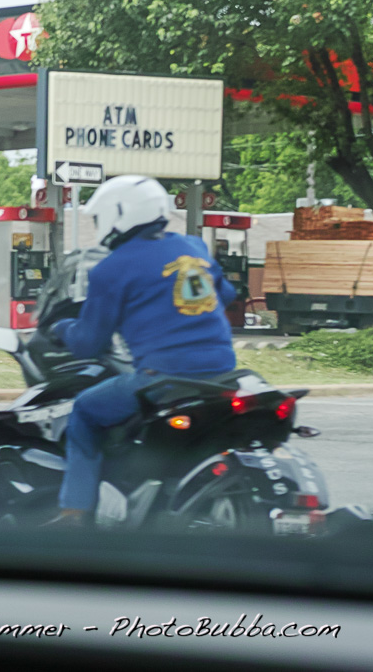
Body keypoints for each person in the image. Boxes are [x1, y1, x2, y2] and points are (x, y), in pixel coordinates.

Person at [44, 175, 237, 527]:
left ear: (118, 214)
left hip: (164, 378)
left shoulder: (112, 269)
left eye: (99, 217)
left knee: (84, 411)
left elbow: (89, 342)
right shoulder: (193, 247)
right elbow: (224, 295)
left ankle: (74, 512)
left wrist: (60, 328)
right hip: (224, 373)